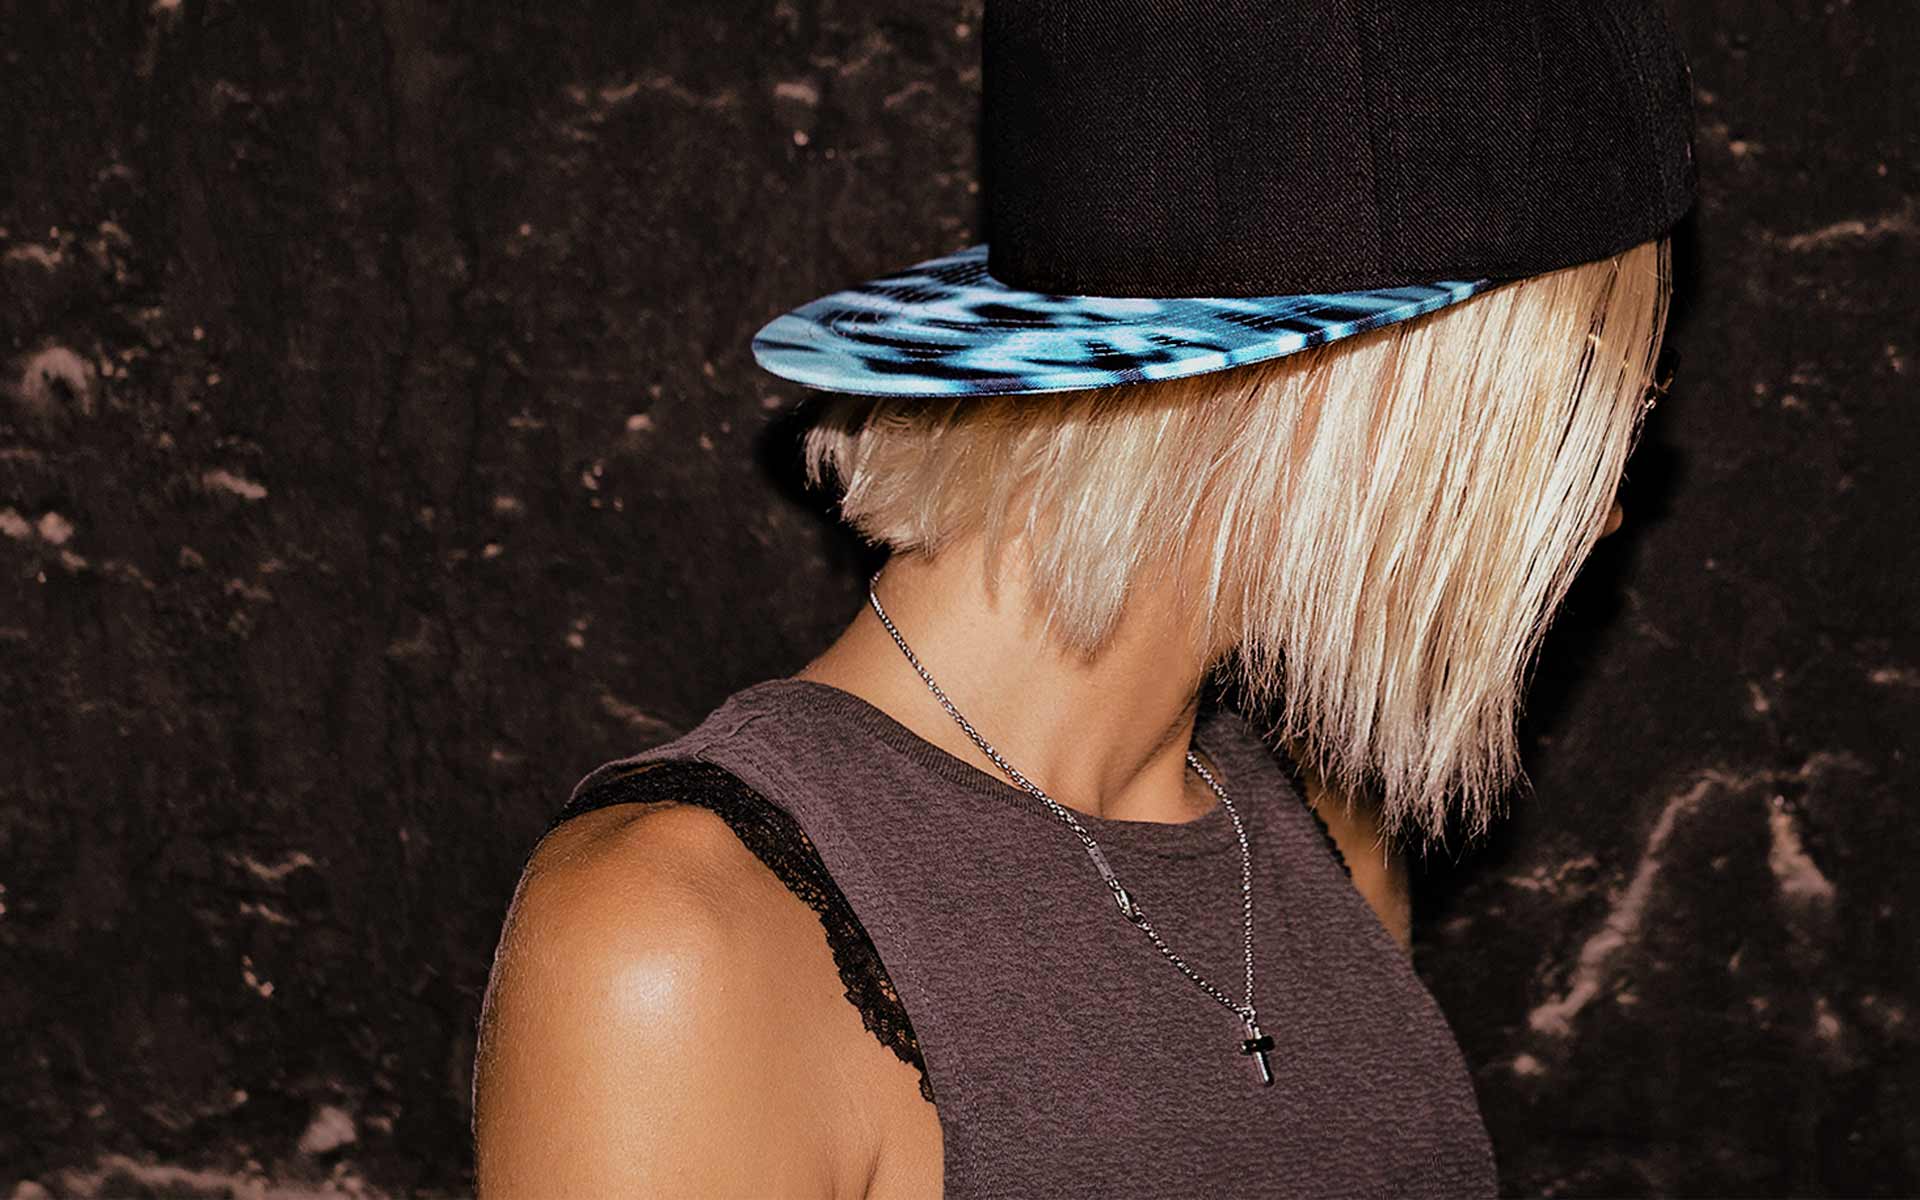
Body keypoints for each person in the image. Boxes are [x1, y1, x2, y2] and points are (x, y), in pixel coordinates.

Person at [472, 1, 1695, 1195]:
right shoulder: (680, 943)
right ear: (1342, 394)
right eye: (1589, 394)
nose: (1601, 505)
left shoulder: (1320, 838)